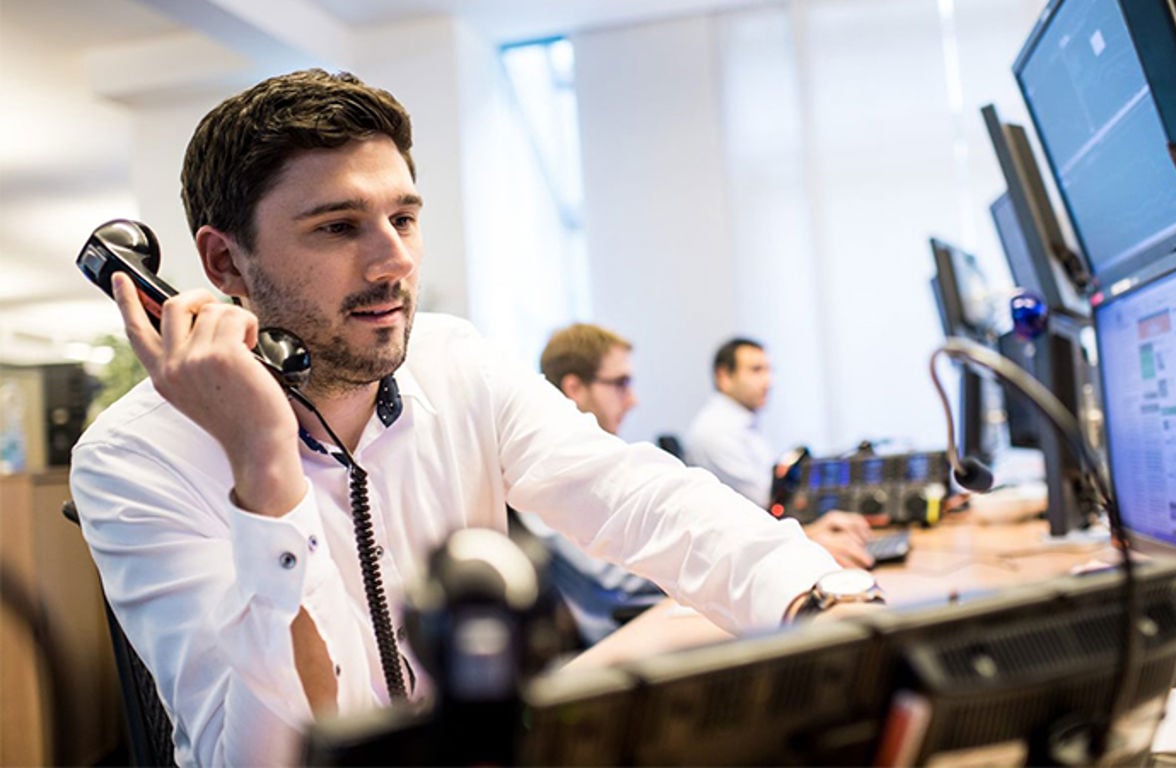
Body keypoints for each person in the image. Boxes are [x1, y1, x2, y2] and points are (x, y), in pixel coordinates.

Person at [68, 70, 856, 765]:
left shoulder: (453, 360)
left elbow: (640, 499)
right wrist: (264, 469)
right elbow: (263, 759)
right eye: (338, 227)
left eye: (404, 219)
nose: (395, 261)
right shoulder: (133, 459)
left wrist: (820, 600)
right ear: (224, 261)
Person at [515, 323, 665, 645]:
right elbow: (615, 578)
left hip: (643, 625)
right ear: (574, 388)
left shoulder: (601, 463)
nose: (633, 400)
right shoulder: (543, 472)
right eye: (620, 383)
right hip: (616, 641)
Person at [685, 338, 874, 568]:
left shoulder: (741, 427)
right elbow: (764, 514)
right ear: (724, 376)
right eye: (756, 370)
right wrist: (812, 534)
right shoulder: (716, 433)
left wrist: (816, 528)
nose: (768, 381)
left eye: (769, 370)